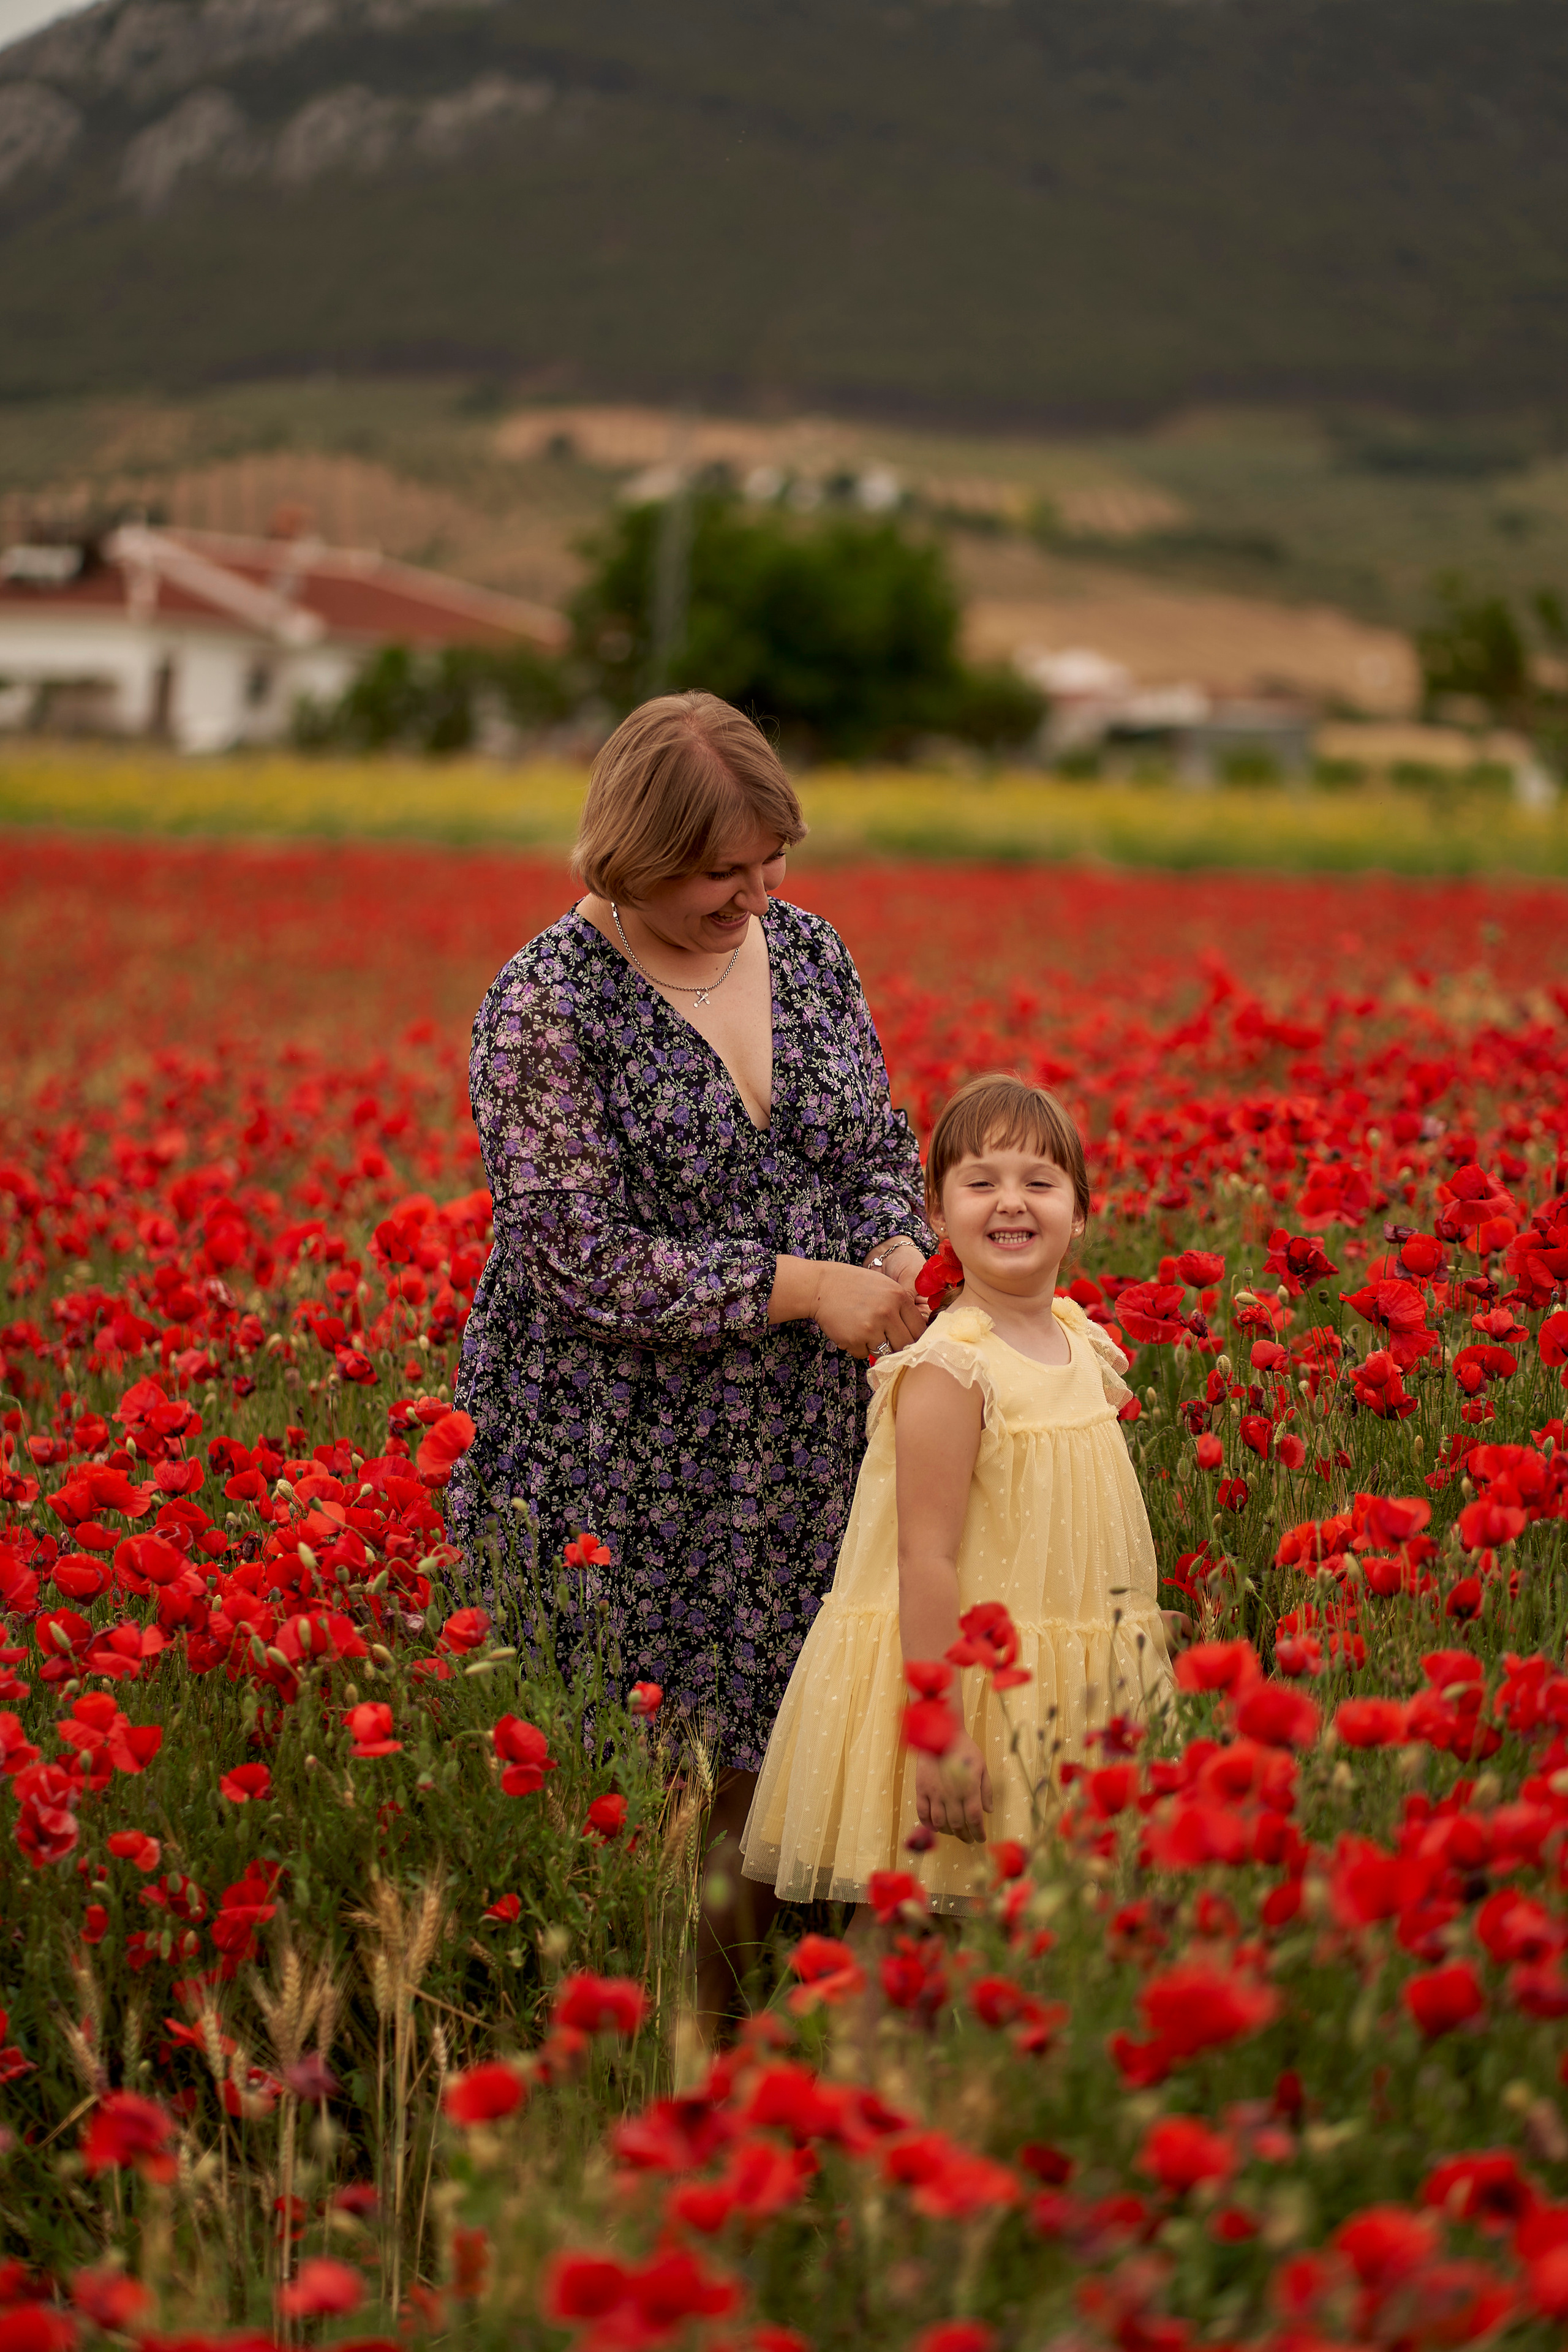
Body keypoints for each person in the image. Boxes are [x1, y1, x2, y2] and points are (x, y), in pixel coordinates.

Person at [448, 690, 935, 2015]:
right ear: (630, 854)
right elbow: (582, 1260)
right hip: (621, 1446)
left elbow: (875, 1147)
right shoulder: (545, 1005)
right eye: (720, 870)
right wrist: (797, 1285)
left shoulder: (811, 952)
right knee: (657, 1766)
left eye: (769, 859)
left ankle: (775, 2047)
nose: (752, 894)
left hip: (803, 1436)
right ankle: (647, 2050)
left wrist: (897, 1255)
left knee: (799, 1734)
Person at [741, 1072, 1172, 1912]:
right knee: (919, 1920)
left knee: (1038, 1924)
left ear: (1081, 1213)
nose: (1011, 1202)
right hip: (968, 1691)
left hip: (1064, 1682)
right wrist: (939, 1732)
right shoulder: (951, 1365)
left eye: (1039, 1182)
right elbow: (924, 1554)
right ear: (936, 1217)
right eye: (981, 1183)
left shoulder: (1081, 1342)